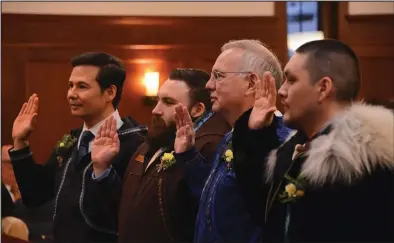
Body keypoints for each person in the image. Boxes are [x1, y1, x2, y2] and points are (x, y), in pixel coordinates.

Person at [233, 39, 394, 242]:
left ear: (323, 88)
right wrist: (256, 134)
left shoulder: (365, 165)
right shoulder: (294, 150)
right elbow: (264, 213)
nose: (281, 91)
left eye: (291, 80)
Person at [8, 52, 147, 243]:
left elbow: (129, 215)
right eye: (70, 85)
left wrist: (102, 171)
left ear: (110, 92)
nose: (71, 94)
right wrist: (20, 142)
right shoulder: (71, 142)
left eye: (82, 86)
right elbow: (35, 196)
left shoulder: (136, 145)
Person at [93, 68, 230, 243]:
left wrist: (187, 157)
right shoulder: (147, 146)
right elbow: (126, 208)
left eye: (168, 102)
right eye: (158, 100)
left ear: (197, 109)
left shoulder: (207, 149)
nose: (156, 110)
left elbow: (210, 212)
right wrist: (102, 168)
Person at [174, 40, 291, 243]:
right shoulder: (231, 135)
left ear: (251, 83)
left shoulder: (280, 140)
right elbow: (219, 199)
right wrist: (188, 155)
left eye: (218, 76)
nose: (209, 85)